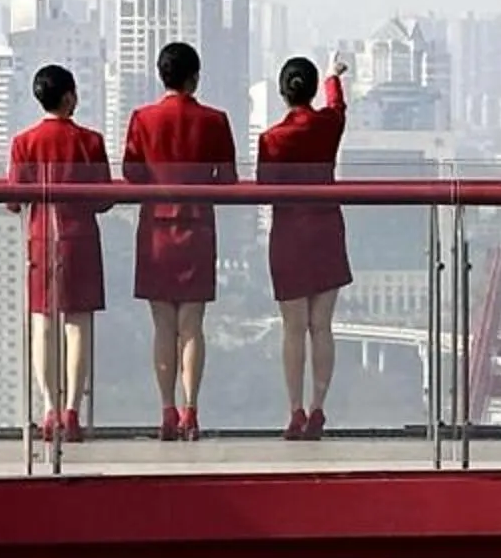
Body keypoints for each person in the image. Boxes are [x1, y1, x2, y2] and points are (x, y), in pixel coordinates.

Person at [122, 40, 238, 439]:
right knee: (192, 326)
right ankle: (191, 410)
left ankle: (167, 410)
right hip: (198, 227)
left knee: (162, 327)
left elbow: (132, 174)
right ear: (195, 76)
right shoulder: (215, 120)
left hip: (155, 228)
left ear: (161, 74)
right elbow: (228, 180)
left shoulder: (141, 119)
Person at [4, 63, 110, 442]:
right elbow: (104, 199)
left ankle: (48, 408)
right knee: (78, 323)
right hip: (80, 237)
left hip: (40, 239)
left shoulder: (24, 142)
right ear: (68, 97)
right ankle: (73, 412)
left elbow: (14, 202)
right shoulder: (91, 142)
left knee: (43, 323)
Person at [256, 49, 350, 438]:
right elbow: (338, 105)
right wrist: (333, 74)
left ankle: (294, 410)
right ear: (310, 90)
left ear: (282, 94)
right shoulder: (328, 126)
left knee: (293, 328)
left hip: (289, 235)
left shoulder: (271, 138)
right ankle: (318, 408)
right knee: (322, 327)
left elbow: (264, 187)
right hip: (326, 229)